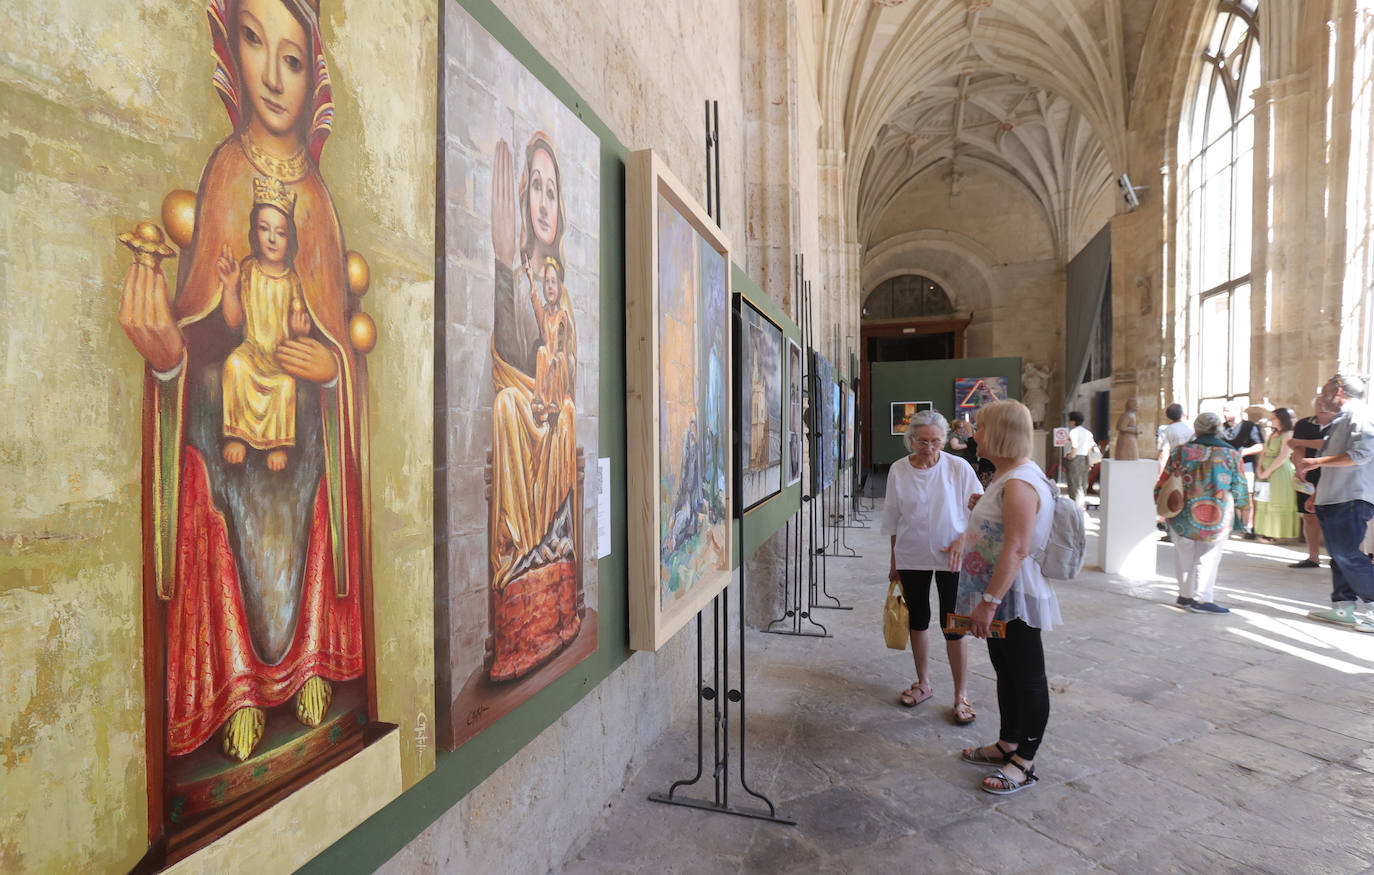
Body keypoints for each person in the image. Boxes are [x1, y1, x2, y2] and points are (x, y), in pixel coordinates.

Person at [116, 0, 366, 762]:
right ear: (232, 50)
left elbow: (336, 337)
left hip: (297, 422)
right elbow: (199, 324)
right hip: (227, 408)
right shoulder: (226, 171)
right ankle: (235, 688)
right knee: (207, 472)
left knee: (312, 473)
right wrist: (167, 356)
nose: (271, 74)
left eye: (292, 57)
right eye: (255, 43)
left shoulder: (317, 198)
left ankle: (312, 662)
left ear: (312, 73)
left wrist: (333, 367)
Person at [954, 400, 1060, 795]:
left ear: (997, 433)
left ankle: (1024, 762)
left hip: (1012, 593)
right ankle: (1007, 742)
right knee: (1006, 670)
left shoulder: (1019, 482)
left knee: (1027, 676)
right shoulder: (1008, 477)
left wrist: (989, 601)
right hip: (1001, 591)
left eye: (979, 428)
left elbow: (1016, 548)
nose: (974, 435)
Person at [883, 411, 984, 724]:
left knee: (953, 626)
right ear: (911, 439)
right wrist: (894, 561)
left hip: (951, 557)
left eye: (936, 441)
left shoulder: (958, 467)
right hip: (911, 555)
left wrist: (963, 540)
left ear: (944, 440)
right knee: (919, 620)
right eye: (922, 441)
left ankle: (960, 695)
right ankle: (923, 683)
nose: (929, 447)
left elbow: (982, 513)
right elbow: (893, 520)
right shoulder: (899, 470)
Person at [219, 176, 313, 472]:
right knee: (235, 366)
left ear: (290, 238)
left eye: (280, 232)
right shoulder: (248, 271)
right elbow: (234, 320)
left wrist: (300, 331)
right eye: (264, 229)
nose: (272, 239)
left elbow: (299, 328)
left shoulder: (293, 281)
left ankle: (277, 443)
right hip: (252, 352)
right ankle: (238, 435)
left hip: (279, 358)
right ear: (254, 232)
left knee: (286, 385)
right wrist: (230, 288)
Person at [1296, 375, 1374, 631]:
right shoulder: (1340, 420)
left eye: (1325, 390)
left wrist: (1317, 462)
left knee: (1348, 554)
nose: (1321, 396)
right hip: (1333, 496)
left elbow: (1361, 455)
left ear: (1338, 390)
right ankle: (1344, 608)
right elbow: (1335, 462)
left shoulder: (1360, 415)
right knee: (1339, 557)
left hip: (1351, 496)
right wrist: (1317, 494)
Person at [1156, 412, 1251, 614]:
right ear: (1218, 429)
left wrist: (1160, 503)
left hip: (1182, 514)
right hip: (1217, 515)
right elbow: (1240, 487)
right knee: (1208, 557)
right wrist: (1245, 511)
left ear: (1196, 429)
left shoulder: (1181, 452)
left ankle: (1184, 597)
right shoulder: (1232, 454)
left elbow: (1164, 481)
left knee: (1183, 555)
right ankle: (1201, 599)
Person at [1287, 390, 1340, 567]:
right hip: (1309, 473)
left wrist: (1302, 442)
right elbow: (1295, 447)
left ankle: (1338, 556)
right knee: (1309, 515)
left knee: (1332, 514)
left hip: (1334, 472)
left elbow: (1328, 445)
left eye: (1325, 403)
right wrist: (1299, 467)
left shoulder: (1340, 424)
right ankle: (1313, 556)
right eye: (1318, 404)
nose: (1321, 407)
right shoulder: (1304, 423)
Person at [1254, 407, 1301, 540]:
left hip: (1279, 471)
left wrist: (1268, 471)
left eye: (1274, 417)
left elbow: (1283, 456)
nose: (1271, 420)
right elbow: (1263, 452)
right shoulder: (1271, 435)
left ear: (1282, 419)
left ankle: (1278, 533)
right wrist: (1259, 469)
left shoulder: (1288, 435)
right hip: (1265, 470)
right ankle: (1264, 530)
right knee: (1264, 499)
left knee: (1277, 499)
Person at [1222, 403, 1264, 537]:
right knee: (1227, 496)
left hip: (1245, 466)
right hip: (1225, 466)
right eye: (1224, 411)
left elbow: (1261, 445)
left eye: (1228, 411)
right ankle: (1230, 525)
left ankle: (1248, 527)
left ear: (1238, 411)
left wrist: (1245, 451)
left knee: (1247, 496)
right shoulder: (1221, 428)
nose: (1225, 414)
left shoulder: (1250, 427)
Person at [1065, 411, 1094, 507]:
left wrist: (1071, 456)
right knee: (1082, 484)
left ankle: (1075, 505)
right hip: (1085, 458)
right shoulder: (1088, 433)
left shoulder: (1074, 432)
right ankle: (1081, 505)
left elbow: (1075, 446)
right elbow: (1091, 447)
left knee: (1074, 484)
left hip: (1075, 458)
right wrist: (1090, 463)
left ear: (1073, 421)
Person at [1157, 403, 1192, 474]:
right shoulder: (1192, 428)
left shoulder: (1166, 431)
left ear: (1168, 416)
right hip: (1191, 464)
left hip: (1176, 466)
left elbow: (1163, 454)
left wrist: (1159, 474)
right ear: (1183, 414)